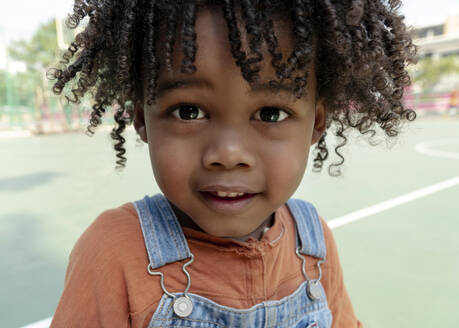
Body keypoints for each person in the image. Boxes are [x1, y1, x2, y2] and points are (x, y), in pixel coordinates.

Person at [49, 0, 416, 327]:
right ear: (142, 119)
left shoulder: (315, 244)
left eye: (270, 113)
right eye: (188, 111)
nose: (228, 153)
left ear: (316, 123)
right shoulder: (114, 252)